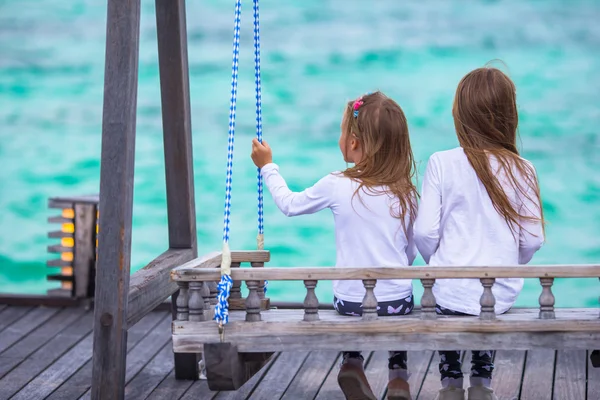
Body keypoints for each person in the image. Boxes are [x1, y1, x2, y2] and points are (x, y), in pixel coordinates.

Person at [251, 91, 418, 400]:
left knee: (351, 292)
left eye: (342, 131)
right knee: (399, 293)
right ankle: (399, 378)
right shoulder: (405, 192)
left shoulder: (337, 184)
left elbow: (289, 204)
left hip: (351, 304)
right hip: (396, 304)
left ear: (353, 142)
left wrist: (267, 166)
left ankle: (351, 362)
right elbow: (410, 253)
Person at [414, 66, 545, 400]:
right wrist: (506, 258)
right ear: (508, 116)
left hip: (450, 292)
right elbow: (532, 240)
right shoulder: (523, 168)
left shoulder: (441, 162)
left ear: (460, 116)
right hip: (498, 294)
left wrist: (440, 261)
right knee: (486, 301)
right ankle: (482, 382)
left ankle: (451, 381)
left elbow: (425, 234)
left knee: (448, 295)